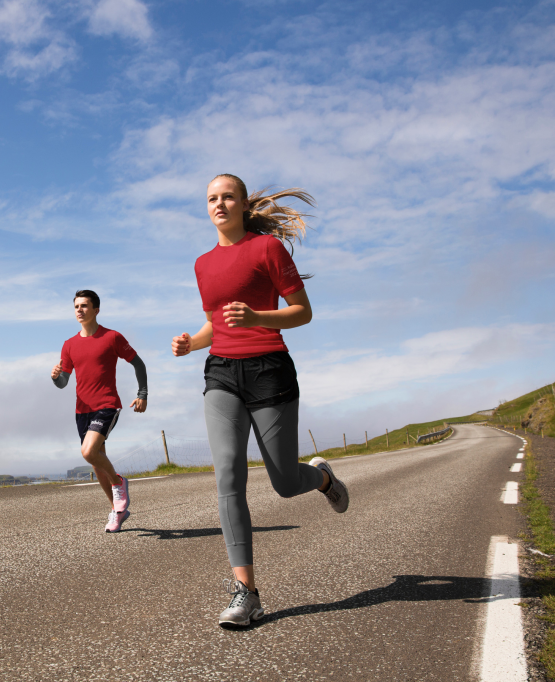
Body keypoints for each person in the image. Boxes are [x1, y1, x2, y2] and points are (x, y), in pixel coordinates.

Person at [171, 174, 349, 628]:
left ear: (244, 202)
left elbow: (302, 312)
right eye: (211, 198)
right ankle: (246, 592)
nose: (219, 204)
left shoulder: (267, 250)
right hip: (222, 373)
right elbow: (217, 321)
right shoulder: (202, 263)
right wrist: (193, 342)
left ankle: (322, 478)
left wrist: (256, 316)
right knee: (228, 473)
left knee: (285, 482)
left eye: (228, 196)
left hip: (269, 370)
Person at [52, 289, 148, 533]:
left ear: (96, 309)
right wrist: (55, 378)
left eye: (84, 306)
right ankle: (118, 511)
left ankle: (119, 482)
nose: (79, 310)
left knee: (88, 451)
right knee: (97, 463)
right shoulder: (69, 345)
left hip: (107, 404)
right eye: (76, 307)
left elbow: (138, 363)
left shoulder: (112, 337)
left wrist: (142, 394)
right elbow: (64, 382)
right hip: (81, 410)